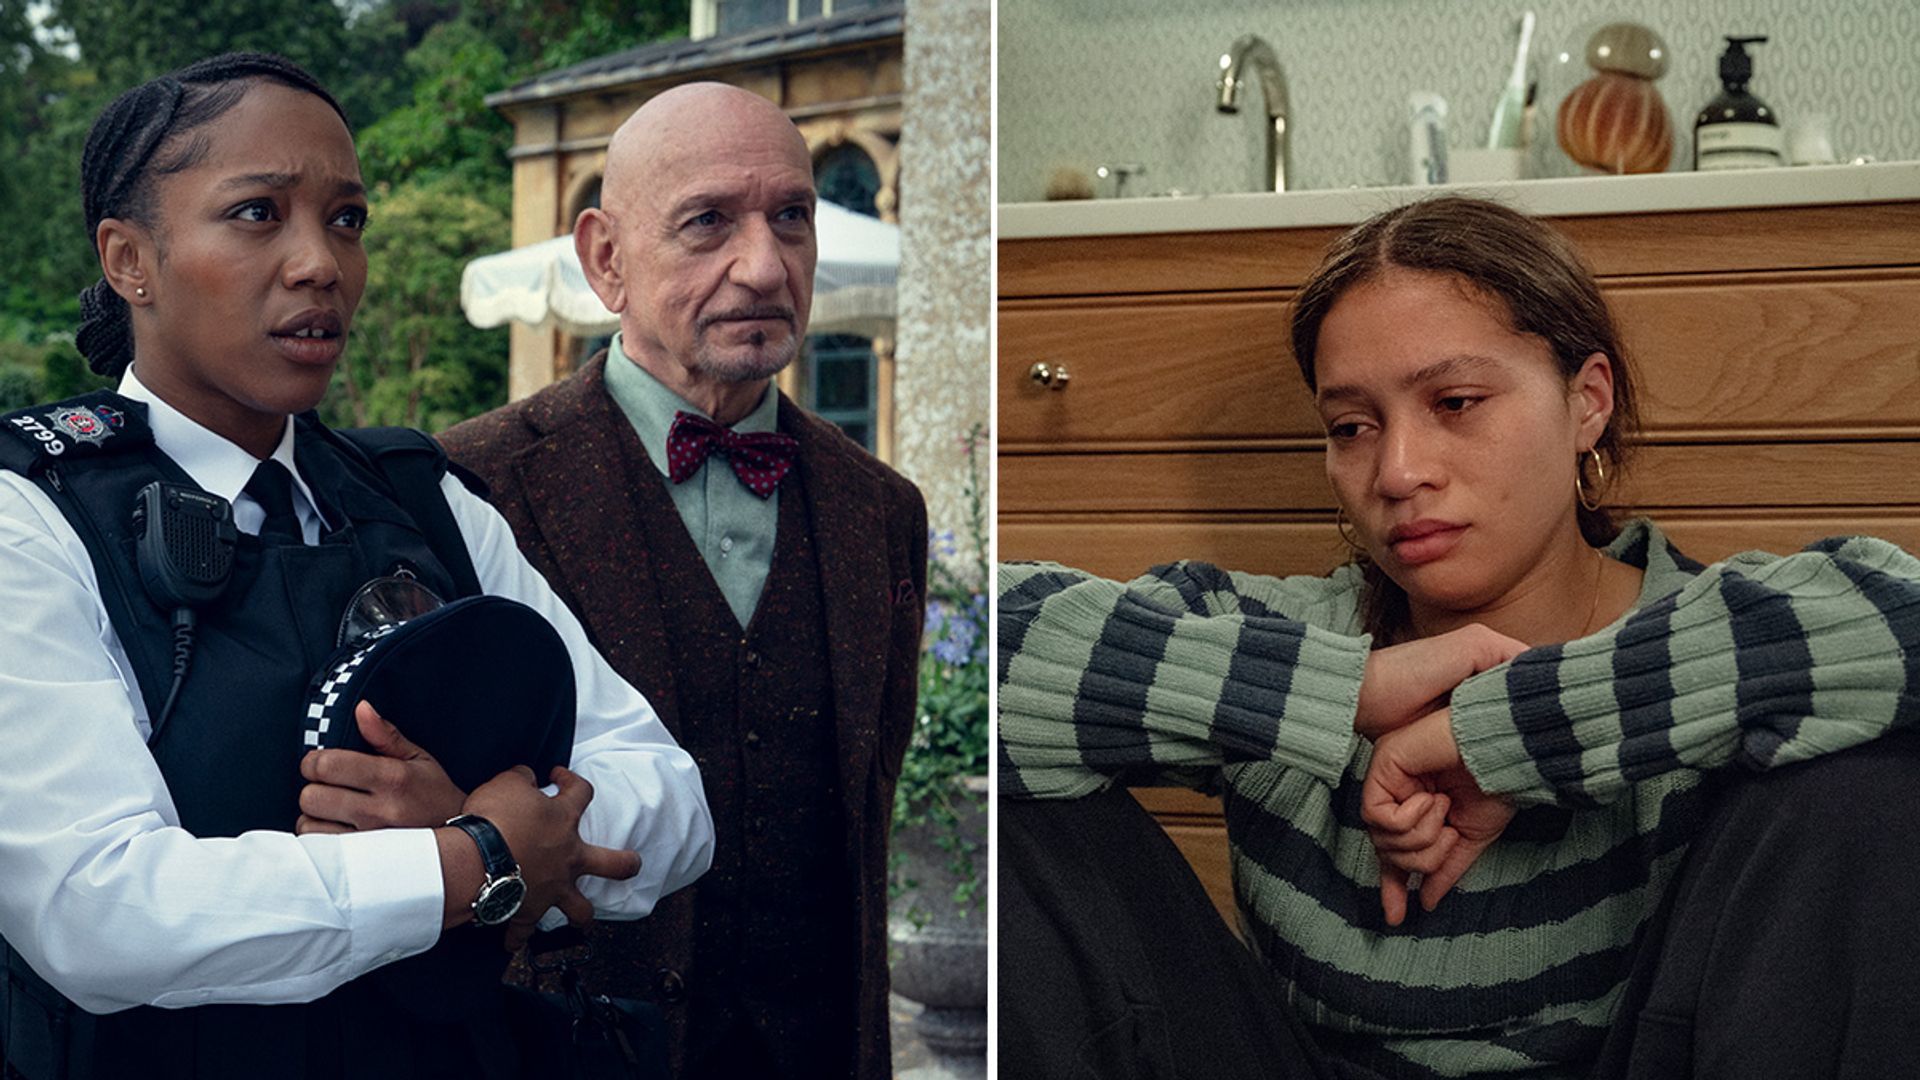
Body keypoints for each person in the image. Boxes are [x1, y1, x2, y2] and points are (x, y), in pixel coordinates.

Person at [997, 196, 1920, 1080]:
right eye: (1351, 426)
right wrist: (1338, 694)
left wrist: (1519, 731)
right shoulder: (1282, 640)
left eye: (1458, 402)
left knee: (1867, 782)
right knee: (1006, 810)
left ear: (1587, 401)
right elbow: (928, 645)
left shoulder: (1716, 636)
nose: (1397, 471)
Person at [0, 53, 713, 1080]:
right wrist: (470, 861)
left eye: (346, 219)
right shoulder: (35, 515)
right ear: (129, 260)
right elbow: (98, 908)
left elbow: (675, 803)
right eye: (257, 214)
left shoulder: (427, 501)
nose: (320, 263)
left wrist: (469, 807)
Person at [438, 83, 927, 1080]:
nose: (763, 264)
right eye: (709, 222)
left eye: (791, 216)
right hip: (557, 1050)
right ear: (605, 259)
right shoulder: (470, 486)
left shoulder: (883, 511)